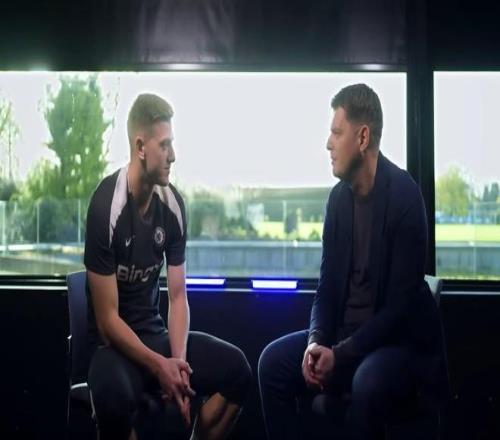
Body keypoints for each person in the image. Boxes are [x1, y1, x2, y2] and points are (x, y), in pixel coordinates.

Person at [258, 83, 448, 439]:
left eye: (336, 132)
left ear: (362, 137)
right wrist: (315, 342)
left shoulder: (405, 196)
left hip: (398, 346)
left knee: (367, 381)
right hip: (344, 339)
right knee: (272, 364)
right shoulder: (338, 201)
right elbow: (327, 289)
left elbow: (397, 311)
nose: (328, 144)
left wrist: (340, 355)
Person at [84, 93, 251, 440]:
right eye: (165, 145)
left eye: (172, 143)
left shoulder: (173, 205)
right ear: (140, 147)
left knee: (238, 371)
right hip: (113, 349)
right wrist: (160, 367)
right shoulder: (105, 207)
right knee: (113, 401)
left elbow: (177, 297)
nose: (173, 155)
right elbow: (107, 321)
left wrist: (178, 365)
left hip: (156, 336)